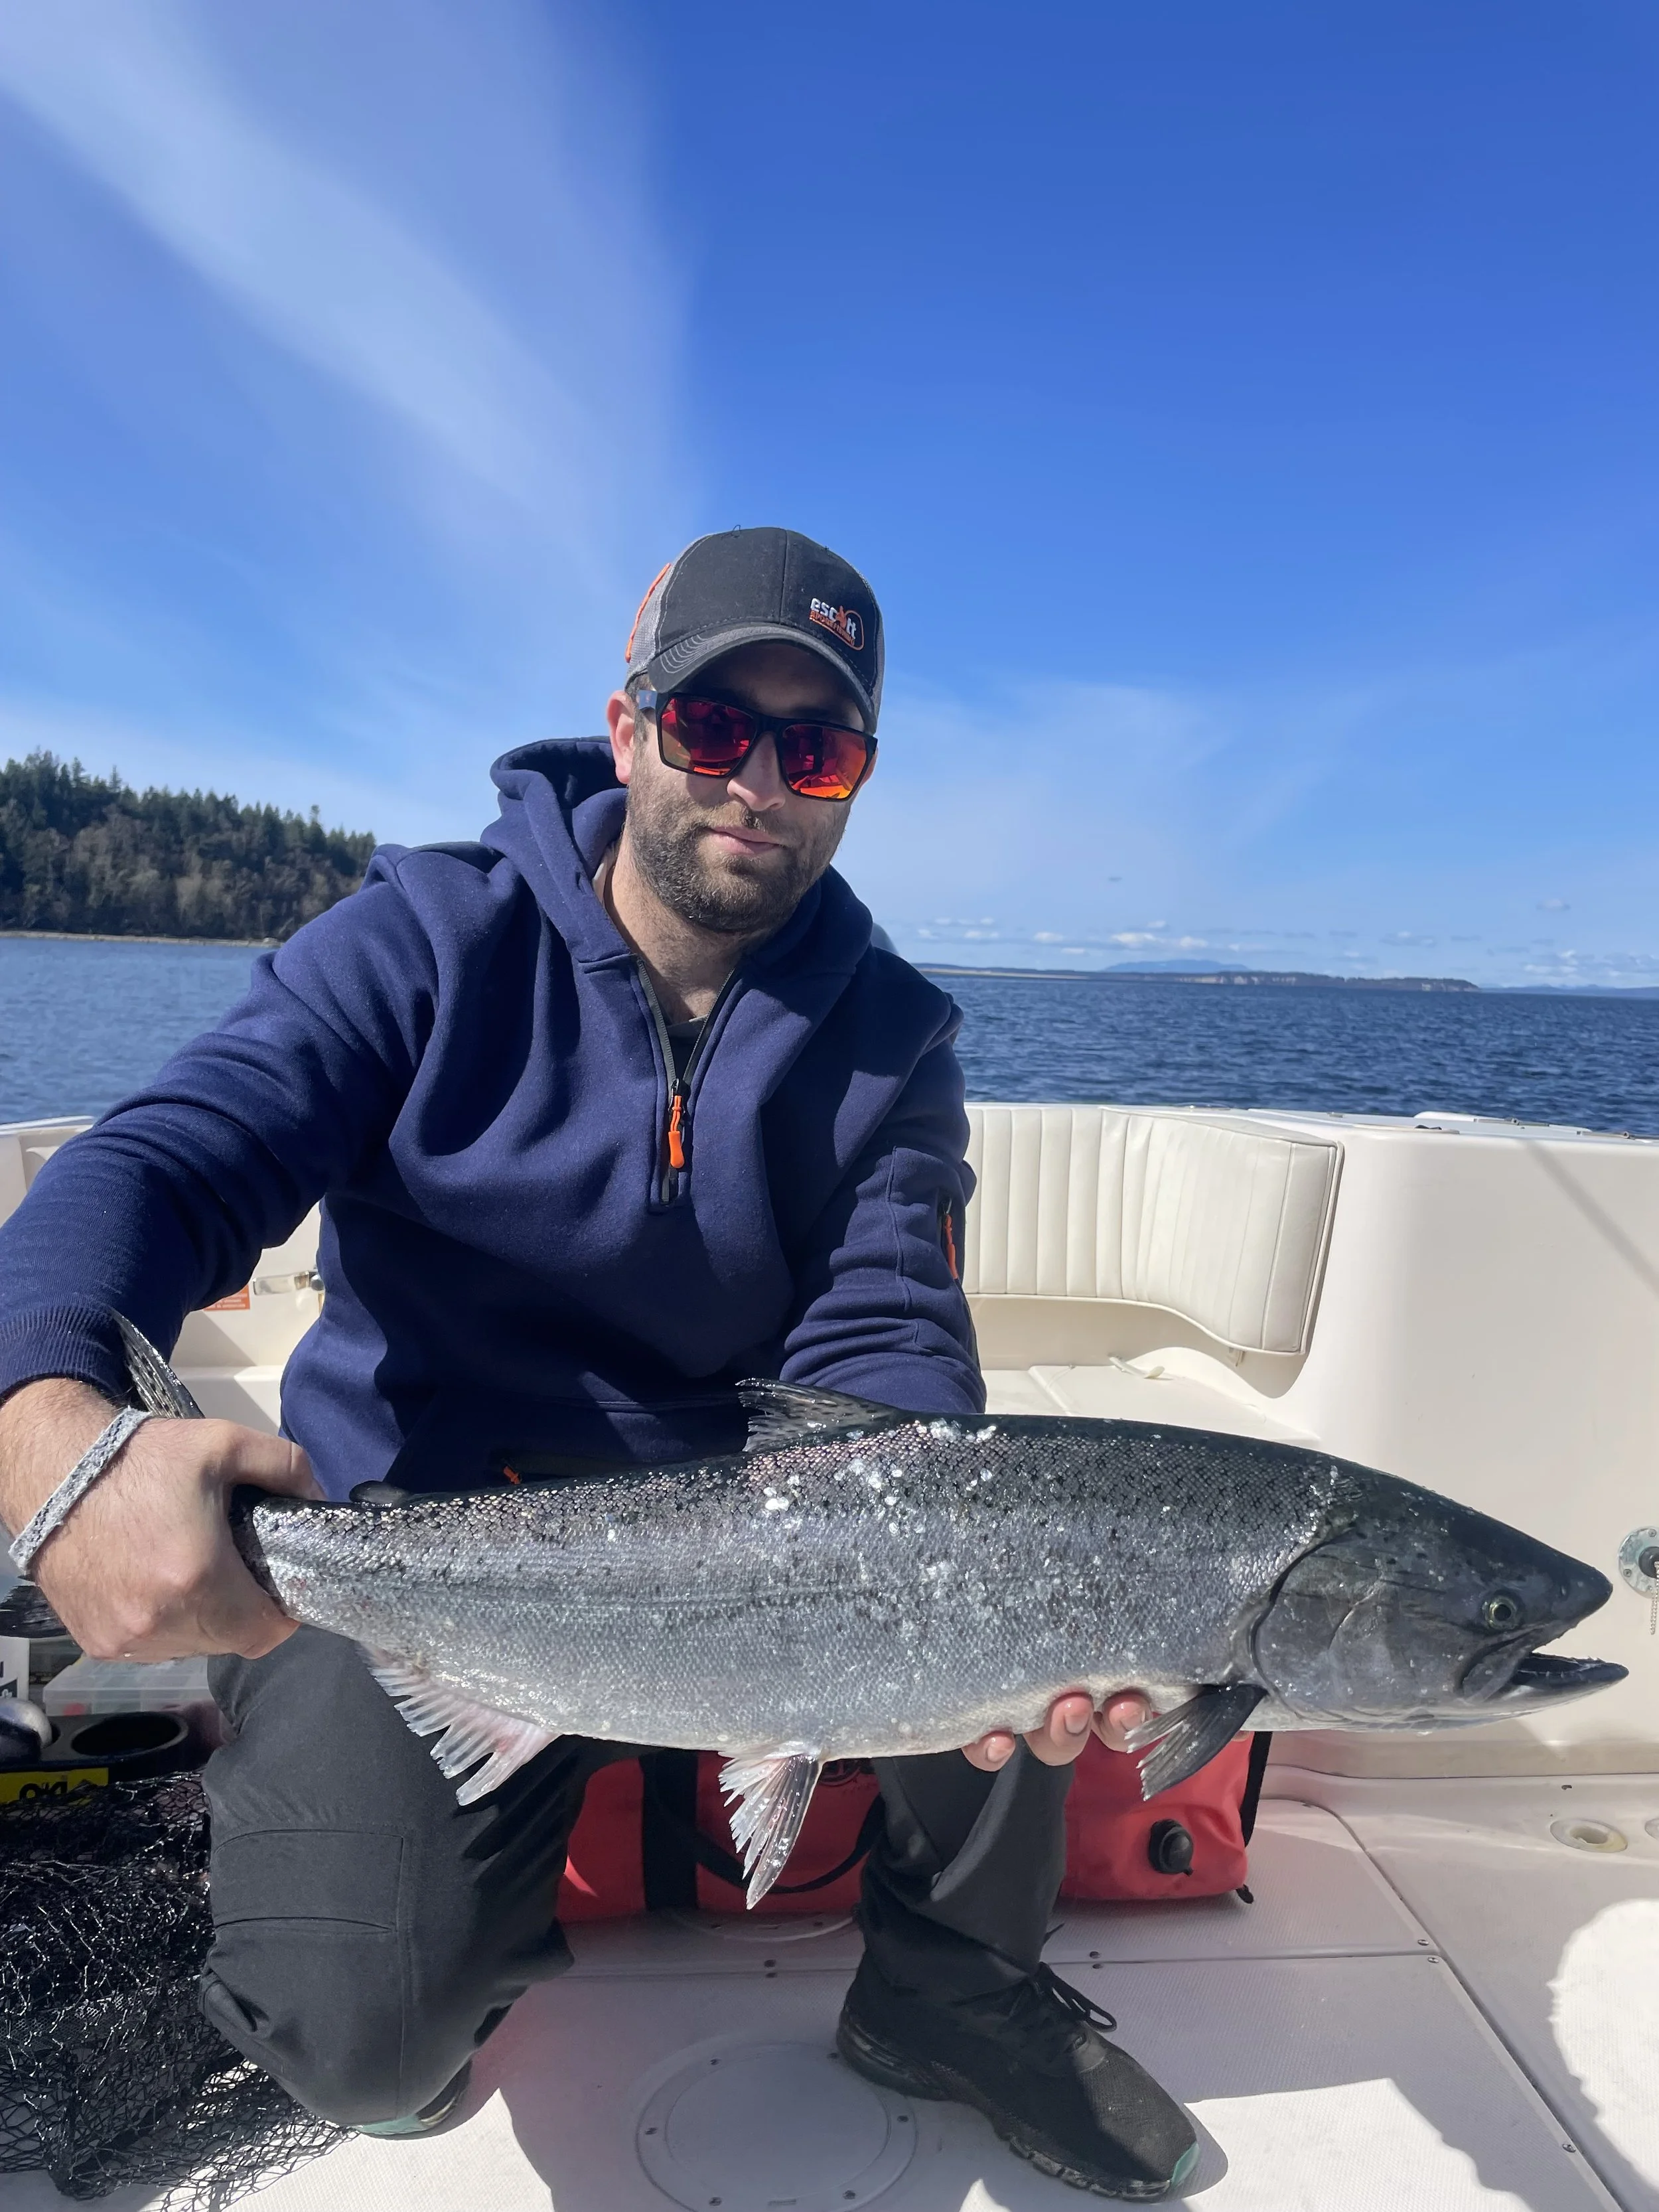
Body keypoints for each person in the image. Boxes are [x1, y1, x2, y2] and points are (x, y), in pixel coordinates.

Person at [0, 528, 1198, 2200]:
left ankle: (951, 1998)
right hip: (416, 1544)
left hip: (754, 1539)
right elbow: (159, 1168)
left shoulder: (889, 1036)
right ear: (628, 727)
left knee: (1012, 1562)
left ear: (854, 777)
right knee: (365, 2051)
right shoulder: (422, 940)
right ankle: (413, 1903)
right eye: (715, 728)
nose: (758, 782)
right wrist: (49, 1419)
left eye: (816, 746)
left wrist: (961, 1599)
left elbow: (887, 1343)